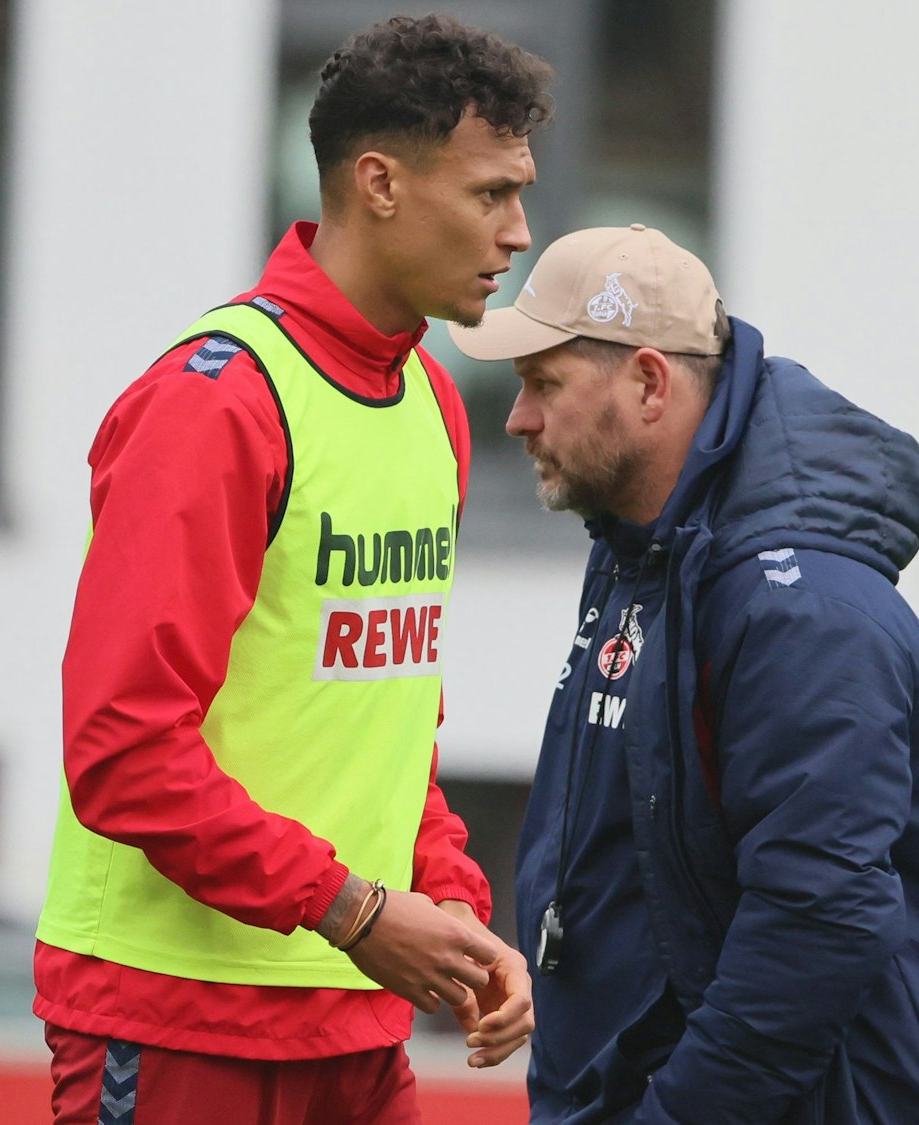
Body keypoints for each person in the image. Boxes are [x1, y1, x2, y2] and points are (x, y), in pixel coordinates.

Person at [32, 16, 549, 1124]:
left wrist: (451, 906)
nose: (517, 233)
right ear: (380, 183)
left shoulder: (433, 403)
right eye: (491, 194)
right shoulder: (216, 402)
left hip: (350, 1021)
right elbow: (123, 748)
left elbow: (381, 724)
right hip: (175, 1016)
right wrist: (358, 912)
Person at [449, 225, 919, 1123]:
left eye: (545, 383)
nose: (518, 418)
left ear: (650, 383)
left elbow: (820, 921)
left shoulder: (799, 609)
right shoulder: (644, 553)